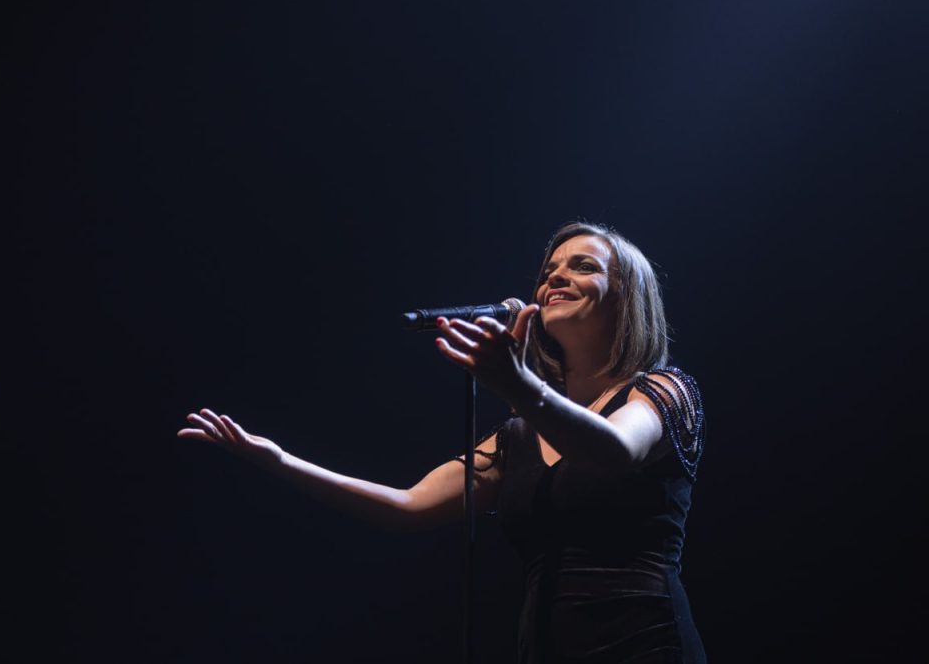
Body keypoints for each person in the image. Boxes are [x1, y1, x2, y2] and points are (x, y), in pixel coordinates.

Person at [178, 221, 706, 663]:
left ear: (628, 295)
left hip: (646, 644)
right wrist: (278, 459)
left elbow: (616, 450)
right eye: (548, 272)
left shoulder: (662, 390)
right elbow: (405, 507)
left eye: (583, 266)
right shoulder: (517, 437)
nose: (555, 278)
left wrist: (523, 388)